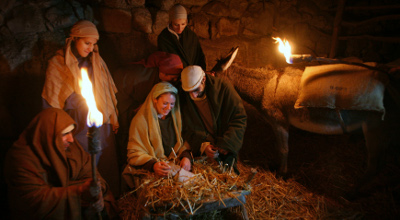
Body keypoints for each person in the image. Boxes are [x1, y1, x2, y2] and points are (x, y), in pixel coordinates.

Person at [41, 20, 120, 196]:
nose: (90, 48)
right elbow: (51, 101)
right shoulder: (57, 64)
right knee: (82, 166)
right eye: (87, 43)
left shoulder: (97, 62)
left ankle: (107, 204)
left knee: (104, 165)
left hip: (100, 123)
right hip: (76, 125)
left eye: (94, 44)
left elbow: (106, 93)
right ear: (74, 39)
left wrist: (112, 117)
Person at [3, 108, 118, 219]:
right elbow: (34, 201)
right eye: (64, 134)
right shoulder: (21, 159)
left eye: (71, 132)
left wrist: (96, 190)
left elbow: (92, 176)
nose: (71, 139)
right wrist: (79, 192)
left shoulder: (72, 149)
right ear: (48, 135)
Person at [114, 51, 184, 171]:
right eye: (172, 77)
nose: (175, 80)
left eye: (172, 104)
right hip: (125, 103)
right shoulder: (138, 78)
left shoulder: (173, 114)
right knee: (126, 136)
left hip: (144, 106)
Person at [122, 82, 192, 188]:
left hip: (174, 162)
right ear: (155, 99)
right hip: (155, 167)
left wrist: (186, 157)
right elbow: (135, 152)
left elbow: (185, 141)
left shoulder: (176, 118)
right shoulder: (140, 121)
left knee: (194, 183)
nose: (169, 107)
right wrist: (153, 165)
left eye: (172, 104)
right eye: (165, 103)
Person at [179, 65, 247, 174]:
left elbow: (238, 118)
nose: (193, 95)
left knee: (228, 175)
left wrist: (226, 144)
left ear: (204, 79)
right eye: (189, 91)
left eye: (196, 90)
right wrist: (203, 145)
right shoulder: (185, 98)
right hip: (204, 146)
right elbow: (188, 127)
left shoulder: (223, 89)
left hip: (224, 142)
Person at [157, 4, 207, 71]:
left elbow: (199, 57)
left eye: (183, 24)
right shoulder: (164, 38)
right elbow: (165, 62)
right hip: (173, 76)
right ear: (170, 21)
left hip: (193, 75)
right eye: (176, 25)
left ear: (186, 21)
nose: (180, 28)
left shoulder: (191, 35)